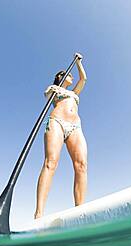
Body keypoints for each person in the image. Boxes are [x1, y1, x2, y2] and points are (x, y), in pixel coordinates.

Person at [34, 52, 87, 219]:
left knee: (81, 165)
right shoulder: (53, 89)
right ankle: (39, 213)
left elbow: (83, 79)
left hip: (75, 126)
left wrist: (78, 62)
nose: (69, 75)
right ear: (59, 78)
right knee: (51, 163)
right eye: (65, 74)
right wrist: (56, 87)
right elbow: (48, 95)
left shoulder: (74, 93)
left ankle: (80, 211)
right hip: (57, 122)